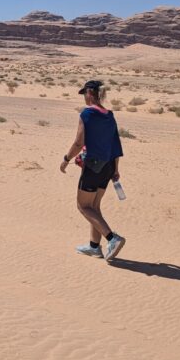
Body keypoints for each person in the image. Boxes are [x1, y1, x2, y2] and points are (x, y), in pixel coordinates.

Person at [59, 79, 125, 260]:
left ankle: (112, 238)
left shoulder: (87, 114)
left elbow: (79, 142)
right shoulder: (109, 115)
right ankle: (94, 247)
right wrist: (116, 169)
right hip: (109, 165)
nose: (84, 98)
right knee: (94, 206)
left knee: (83, 206)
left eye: (84, 94)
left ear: (89, 94)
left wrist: (66, 159)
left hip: (94, 166)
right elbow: (115, 144)